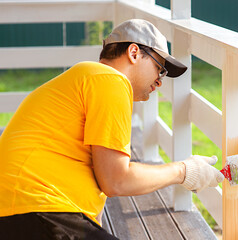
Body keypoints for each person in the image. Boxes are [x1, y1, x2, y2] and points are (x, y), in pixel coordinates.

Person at [0, 19, 224, 239]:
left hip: (25, 209)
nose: (159, 82)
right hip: (36, 209)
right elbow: (116, 180)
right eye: (160, 68)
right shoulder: (110, 80)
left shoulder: (88, 78)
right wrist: (184, 171)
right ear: (134, 53)